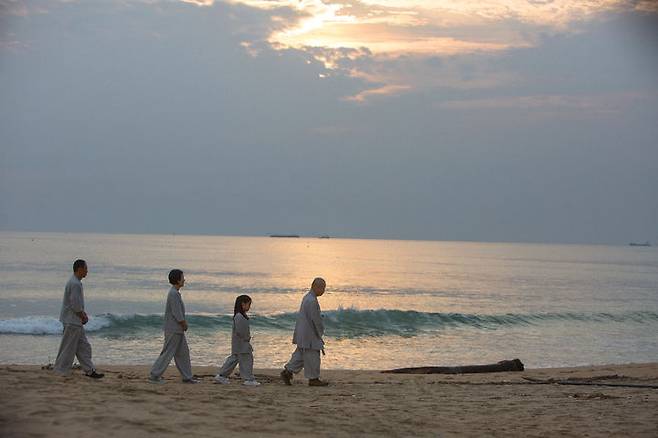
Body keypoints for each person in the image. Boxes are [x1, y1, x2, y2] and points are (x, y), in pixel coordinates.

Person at [53, 259, 104, 378]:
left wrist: (82, 314)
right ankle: (61, 371)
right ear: (80, 269)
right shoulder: (75, 284)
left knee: (84, 347)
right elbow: (75, 305)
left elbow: (76, 304)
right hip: (72, 321)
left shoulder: (75, 282)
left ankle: (90, 370)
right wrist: (83, 316)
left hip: (74, 321)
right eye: (86, 268)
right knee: (68, 349)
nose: (87, 271)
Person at [149, 269, 198, 384]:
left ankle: (187, 376)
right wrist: (183, 323)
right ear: (177, 280)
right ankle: (154, 375)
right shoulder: (173, 294)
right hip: (173, 329)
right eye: (182, 277)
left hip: (177, 329)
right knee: (167, 353)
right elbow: (176, 313)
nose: (184, 280)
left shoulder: (175, 293)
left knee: (183, 353)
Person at [280, 277, 329, 387]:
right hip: (309, 334)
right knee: (312, 357)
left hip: (304, 333)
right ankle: (313, 379)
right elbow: (315, 320)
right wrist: (320, 333)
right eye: (323, 288)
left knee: (301, 355)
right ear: (316, 287)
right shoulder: (311, 300)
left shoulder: (308, 297)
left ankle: (288, 372)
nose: (323, 291)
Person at [214, 295, 260, 386]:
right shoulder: (239, 316)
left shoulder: (241, 315)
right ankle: (248, 379)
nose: (249, 307)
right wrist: (246, 337)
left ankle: (222, 376)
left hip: (239, 343)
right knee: (247, 360)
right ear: (243, 304)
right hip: (242, 343)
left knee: (233, 360)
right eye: (248, 304)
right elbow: (240, 331)